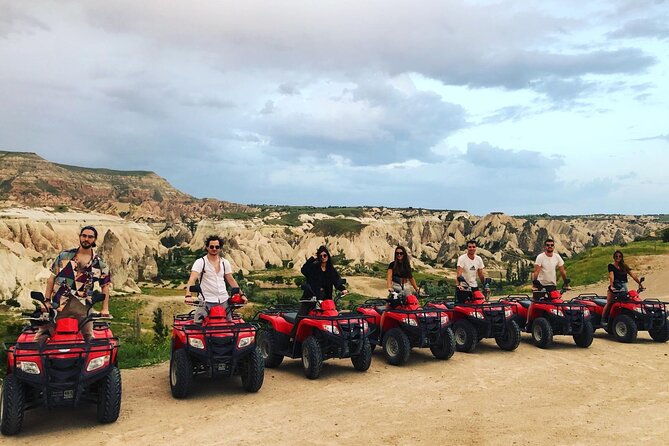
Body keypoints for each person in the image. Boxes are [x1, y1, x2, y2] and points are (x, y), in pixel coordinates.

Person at [34, 226, 111, 345]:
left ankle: (88, 363)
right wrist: (47, 301)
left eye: (90, 237)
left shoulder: (100, 264)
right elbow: (51, 279)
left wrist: (105, 308)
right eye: (84, 236)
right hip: (58, 303)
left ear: (95, 240)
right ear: (80, 237)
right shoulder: (64, 256)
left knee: (89, 338)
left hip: (83, 306)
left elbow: (105, 286)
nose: (86, 239)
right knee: (40, 337)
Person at [184, 235, 246, 323]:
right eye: (211, 246)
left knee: (228, 327)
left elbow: (231, 280)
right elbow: (192, 279)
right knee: (197, 328)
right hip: (206, 302)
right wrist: (188, 295)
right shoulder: (201, 262)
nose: (214, 249)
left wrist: (241, 294)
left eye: (217, 247)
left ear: (220, 248)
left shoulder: (225, 262)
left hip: (224, 301)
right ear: (207, 247)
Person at [299, 245, 347, 315]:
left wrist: (343, 289)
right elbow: (304, 270)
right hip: (311, 298)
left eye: (325, 255)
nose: (323, 257)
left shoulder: (331, 270)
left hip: (326, 300)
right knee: (301, 316)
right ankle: (295, 326)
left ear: (328, 256)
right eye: (320, 256)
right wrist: (312, 258)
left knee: (331, 316)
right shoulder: (314, 267)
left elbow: (336, 281)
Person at [601, 250, 643, 324]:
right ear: (614, 257)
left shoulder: (624, 266)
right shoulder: (611, 266)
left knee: (626, 301)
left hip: (623, 286)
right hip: (615, 286)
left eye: (619, 256)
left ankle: (624, 317)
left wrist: (640, 283)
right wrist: (611, 286)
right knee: (609, 302)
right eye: (616, 256)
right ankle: (603, 319)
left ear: (621, 257)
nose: (618, 257)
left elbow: (633, 275)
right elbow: (611, 276)